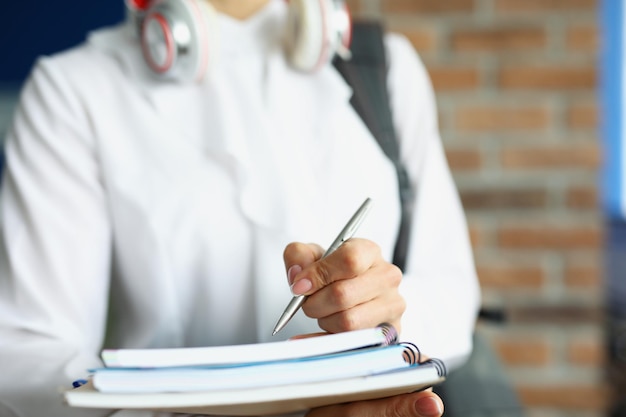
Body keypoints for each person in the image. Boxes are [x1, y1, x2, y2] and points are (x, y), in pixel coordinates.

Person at [0, 0, 481, 416]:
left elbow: (452, 295)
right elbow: (26, 350)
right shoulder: (74, 90)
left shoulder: (384, 69)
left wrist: (386, 321)